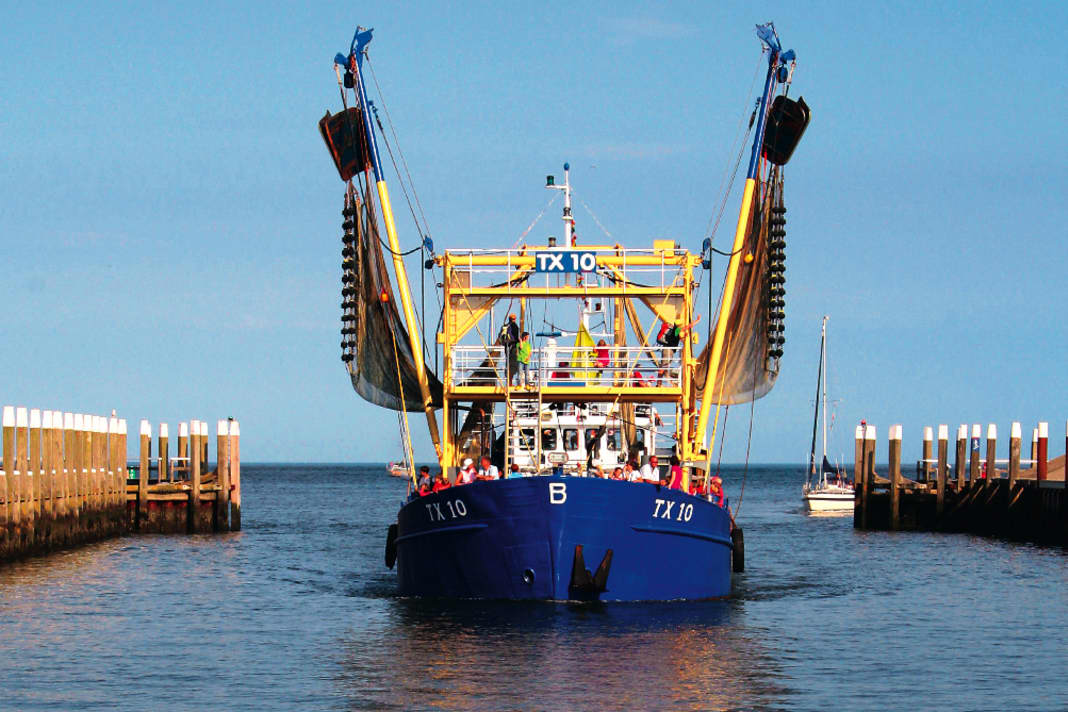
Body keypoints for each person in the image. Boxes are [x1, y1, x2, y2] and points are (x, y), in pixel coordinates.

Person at [656, 314, 701, 382]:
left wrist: (685, 336)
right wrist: (697, 321)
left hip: (668, 349)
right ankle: (658, 383)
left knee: (665, 366)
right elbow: (687, 327)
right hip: (668, 350)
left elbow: (677, 337)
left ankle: (660, 382)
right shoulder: (676, 330)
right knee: (664, 366)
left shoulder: (674, 332)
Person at [499, 313, 520, 384]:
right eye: (514, 319)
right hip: (512, 346)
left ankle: (509, 381)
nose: (515, 320)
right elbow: (516, 337)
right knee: (513, 364)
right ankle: (510, 382)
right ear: (513, 319)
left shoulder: (505, 326)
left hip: (506, 346)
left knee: (508, 363)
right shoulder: (514, 326)